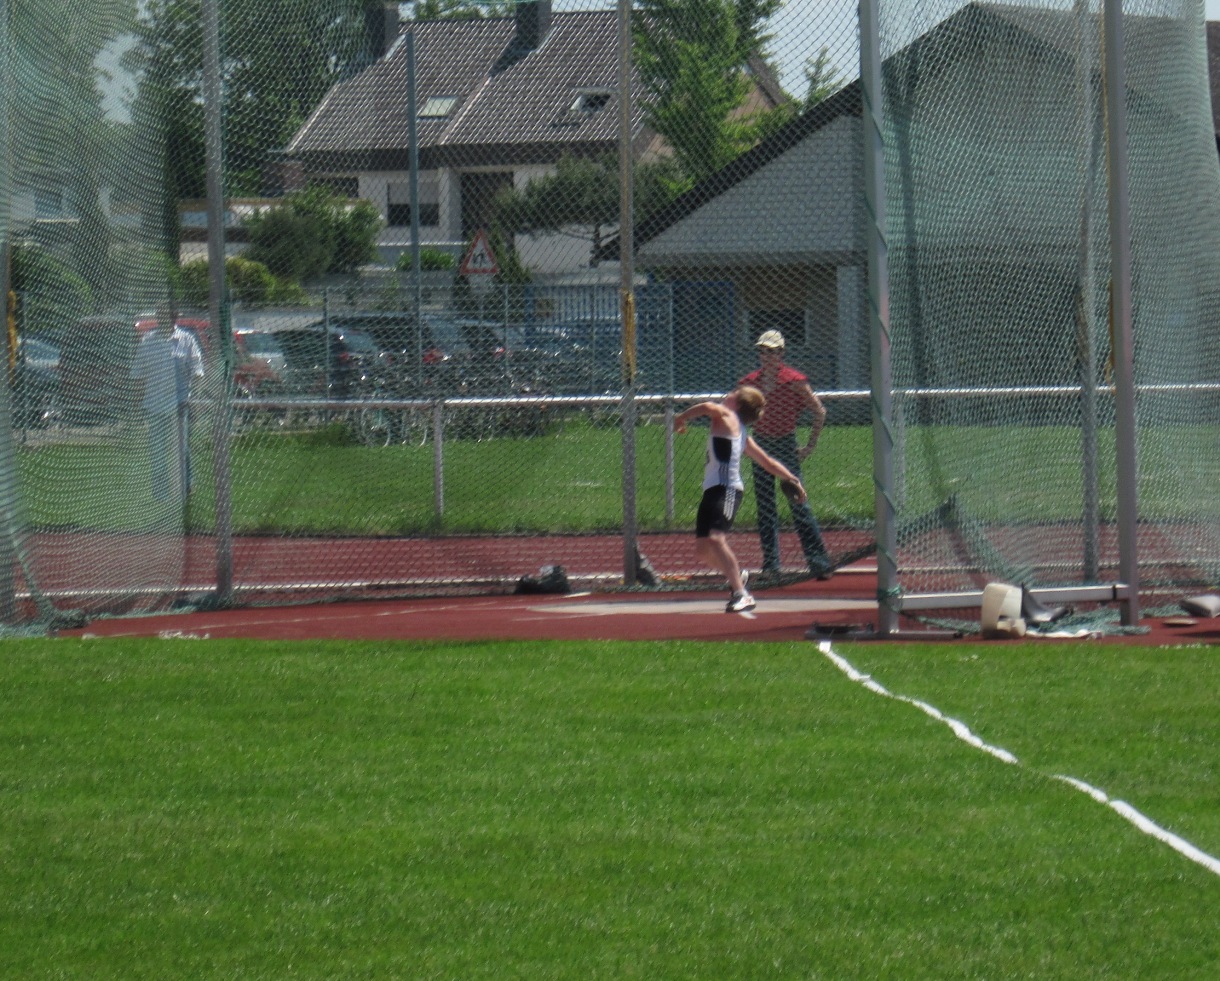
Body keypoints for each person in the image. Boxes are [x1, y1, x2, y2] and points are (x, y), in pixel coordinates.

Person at [673, 385, 808, 613]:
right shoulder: (741, 430)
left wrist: (681, 418)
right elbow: (767, 462)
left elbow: (707, 407)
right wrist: (792, 478)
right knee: (702, 549)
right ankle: (737, 575)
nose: (729, 394)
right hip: (712, 489)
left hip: (728, 490)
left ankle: (741, 594)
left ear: (736, 404)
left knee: (716, 539)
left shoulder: (727, 416)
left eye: (734, 394)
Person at [738, 329, 832, 579]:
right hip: (761, 444)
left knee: (799, 503)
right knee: (765, 506)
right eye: (762, 351)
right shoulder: (750, 383)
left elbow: (819, 411)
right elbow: (737, 415)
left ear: (781, 353)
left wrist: (810, 445)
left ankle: (819, 563)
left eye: (771, 351)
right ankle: (771, 565)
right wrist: (744, 444)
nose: (766, 356)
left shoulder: (794, 381)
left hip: (785, 445)